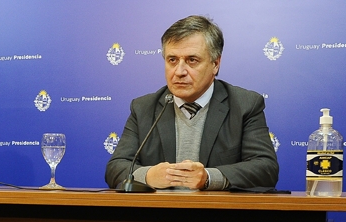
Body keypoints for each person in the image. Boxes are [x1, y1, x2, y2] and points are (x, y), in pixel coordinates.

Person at [105, 15, 278, 190]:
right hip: (157, 215)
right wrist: (147, 175)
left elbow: (266, 169)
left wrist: (209, 177)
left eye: (192, 60)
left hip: (219, 214)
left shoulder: (245, 105)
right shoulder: (143, 108)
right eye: (172, 60)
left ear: (215, 64)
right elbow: (115, 168)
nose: (179, 71)